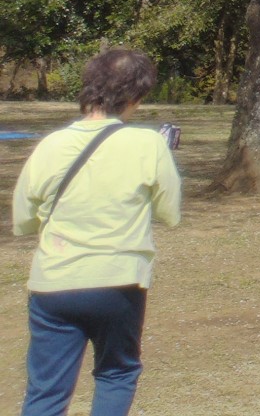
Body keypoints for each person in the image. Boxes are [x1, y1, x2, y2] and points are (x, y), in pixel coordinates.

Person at [9, 47, 180, 416]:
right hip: (118, 282)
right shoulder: (148, 144)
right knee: (117, 372)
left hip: (54, 282)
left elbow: (22, 220)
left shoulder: (49, 145)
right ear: (135, 96)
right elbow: (170, 213)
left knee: (46, 392)